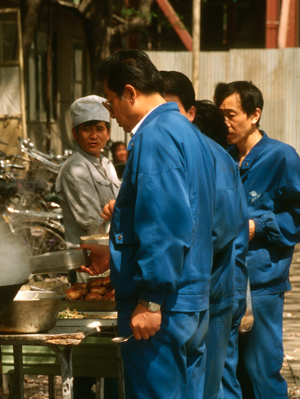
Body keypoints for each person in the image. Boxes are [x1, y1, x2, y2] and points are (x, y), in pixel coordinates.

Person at [81, 50, 216, 399]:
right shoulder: (186, 132)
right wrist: (114, 254)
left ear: (130, 92)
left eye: (110, 103)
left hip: (166, 306)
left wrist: (151, 300)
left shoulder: (154, 136)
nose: (111, 115)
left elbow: (164, 224)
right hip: (191, 299)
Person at [214, 81, 300, 398]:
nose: (225, 123)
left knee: (262, 370)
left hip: (262, 284)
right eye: (221, 115)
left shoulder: (280, 157)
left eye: (231, 114)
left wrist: (258, 226)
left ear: (255, 114)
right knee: (227, 372)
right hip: (224, 283)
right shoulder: (222, 157)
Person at [161, 70, 249, 399]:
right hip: (186, 292)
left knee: (209, 386)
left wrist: (169, 257)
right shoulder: (170, 152)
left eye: (173, 112)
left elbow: (220, 230)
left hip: (211, 292)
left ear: (191, 113)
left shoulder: (213, 156)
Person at [55, 95, 121, 398]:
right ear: (74, 133)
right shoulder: (73, 169)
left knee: (110, 339)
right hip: (87, 266)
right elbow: (89, 221)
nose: (94, 136)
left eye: (100, 128)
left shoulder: (106, 164)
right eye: (86, 129)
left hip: (111, 259)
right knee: (88, 341)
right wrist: (118, 210)